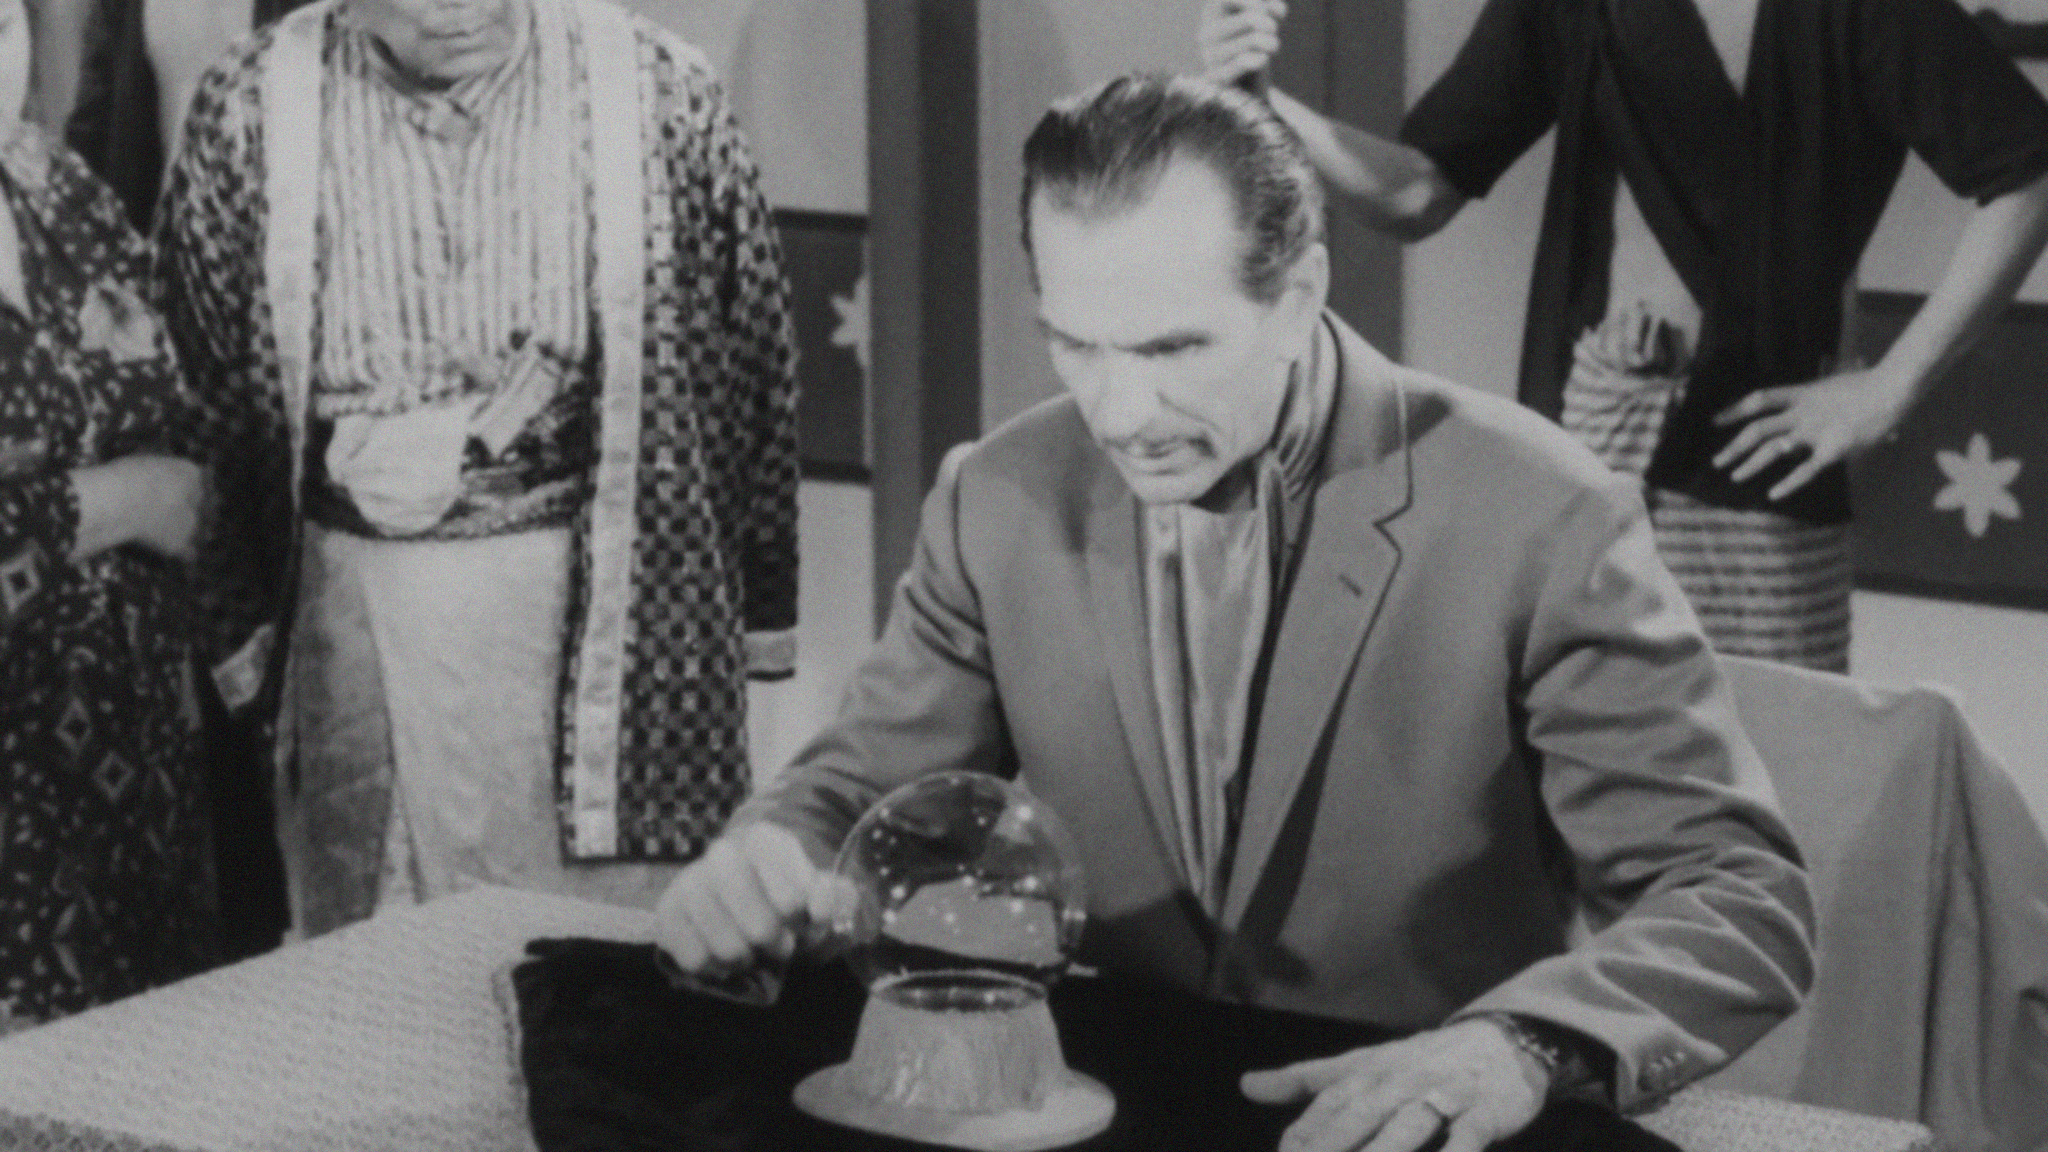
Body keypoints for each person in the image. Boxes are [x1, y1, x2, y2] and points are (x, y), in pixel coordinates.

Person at [656, 75, 1814, 1152]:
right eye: (1074, 344)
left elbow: (1734, 896)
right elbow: (859, 790)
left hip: (1411, 1128)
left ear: (1299, 295)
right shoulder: (994, 495)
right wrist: (769, 856)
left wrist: (1515, 1046)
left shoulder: (1542, 512)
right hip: (1114, 1106)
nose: (1121, 412)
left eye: (1172, 347)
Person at [154, 0, 799, 936]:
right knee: (387, 952)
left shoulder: (661, 92)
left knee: (601, 968)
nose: (460, 6)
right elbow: (199, 393)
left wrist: (755, 614)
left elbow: (752, 361)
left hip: (600, 627)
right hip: (359, 620)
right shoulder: (250, 106)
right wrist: (237, 639)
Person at [1199, 0, 2048, 672]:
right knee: (1578, 752)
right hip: (1591, 441)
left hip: (1760, 457)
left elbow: (2027, 169)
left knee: (1775, 756)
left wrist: (1892, 386)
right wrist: (1266, 107)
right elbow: (1417, 191)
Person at [0, 0, 217, 1027]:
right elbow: (157, 484)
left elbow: (191, 421)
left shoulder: (61, 189)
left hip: (134, 797)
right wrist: (115, 500)